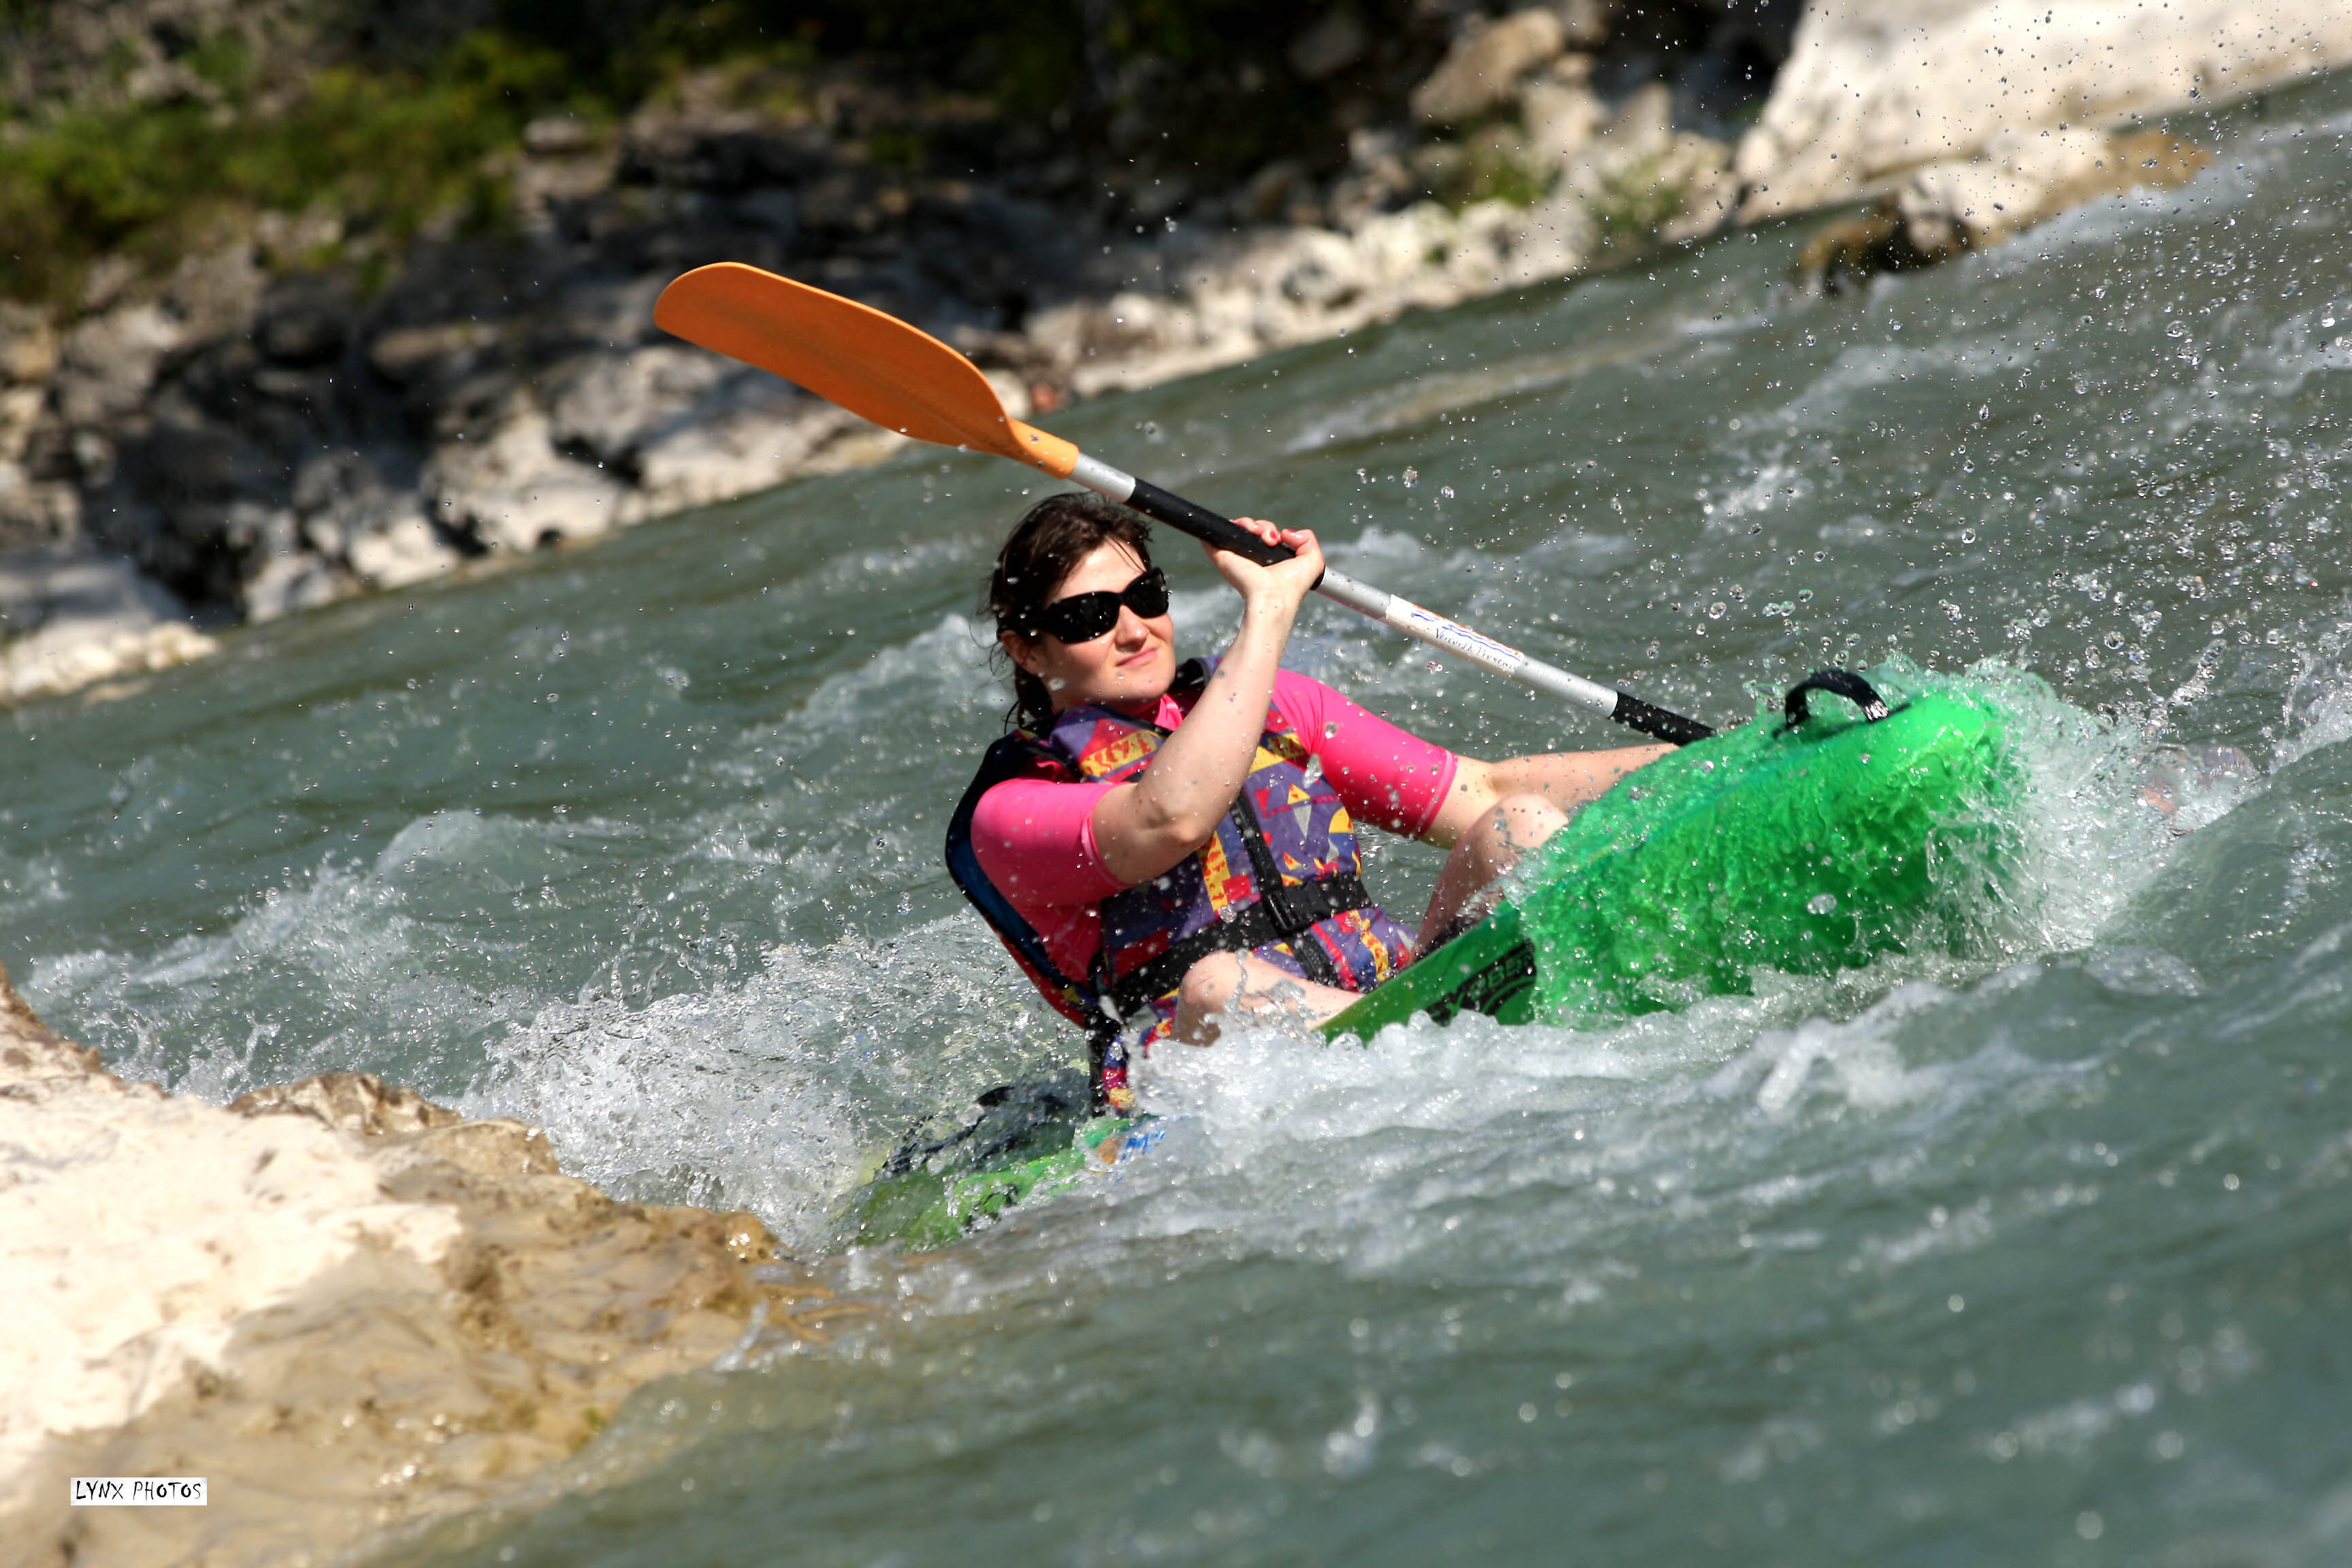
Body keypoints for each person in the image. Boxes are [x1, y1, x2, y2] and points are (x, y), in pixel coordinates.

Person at [945, 492, 1666, 1111]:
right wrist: (1269, 608)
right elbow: (1169, 819)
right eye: (1089, 618)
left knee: (1522, 824)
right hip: (1206, 1071)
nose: (1134, 629)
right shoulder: (1014, 808)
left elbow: (1486, 790)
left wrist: (1699, 755)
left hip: (1393, 996)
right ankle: (1464, 1056)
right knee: (1216, 984)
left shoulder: (1279, 707)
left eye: (1146, 598)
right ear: (1028, 652)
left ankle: (1607, 1001)